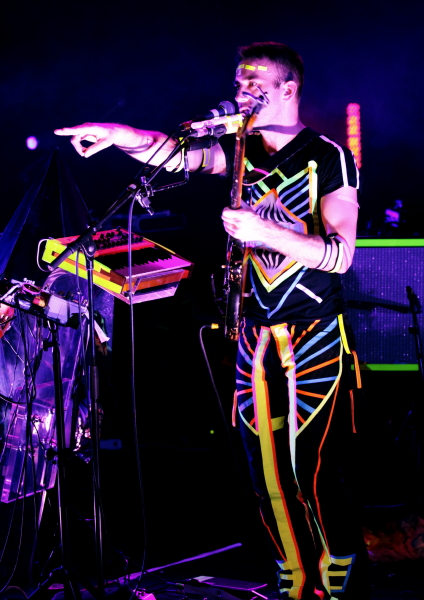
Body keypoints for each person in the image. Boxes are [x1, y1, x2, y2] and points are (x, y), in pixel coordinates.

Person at [55, 42, 367, 600]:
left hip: (313, 332)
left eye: (255, 84)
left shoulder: (328, 155)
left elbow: (341, 255)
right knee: (262, 470)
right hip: (254, 337)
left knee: (312, 468)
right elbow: (173, 153)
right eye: (239, 82)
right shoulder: (239, 148)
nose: (242, 93)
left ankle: (340, 573)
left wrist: (265, 231)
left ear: (289, 89)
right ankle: (292, 576)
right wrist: (118, 135)